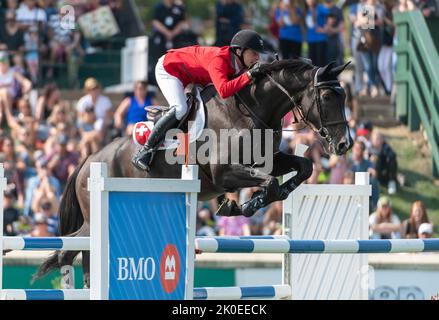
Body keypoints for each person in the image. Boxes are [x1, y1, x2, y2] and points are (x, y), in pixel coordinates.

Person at [132, 29, 266, 171]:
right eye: (254, 53)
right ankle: (145, 151)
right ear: (239, 51)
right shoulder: (219, 60)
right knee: (180, 108)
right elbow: (224, 90)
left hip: (192, 77)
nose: (257, 58)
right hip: (169, 70)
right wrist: (248, 76)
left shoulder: (237, 65)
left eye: (258, 54)